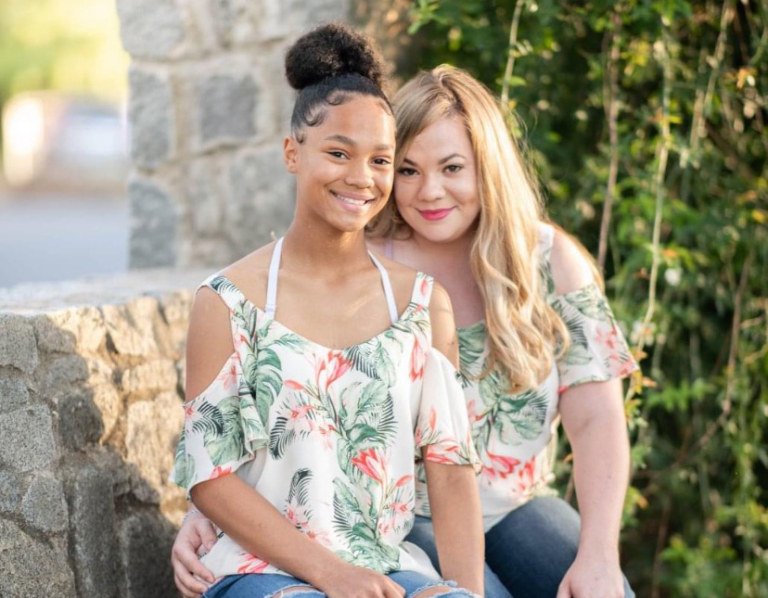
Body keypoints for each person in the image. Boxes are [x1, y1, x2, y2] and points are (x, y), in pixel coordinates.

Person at [173, 63, 639, 598]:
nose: (430, 191)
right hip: (401, 520)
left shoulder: (548, 261)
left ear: (487, 166)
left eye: (452, 167)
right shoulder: (365, 262)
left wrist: (600, 552)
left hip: (517, 505)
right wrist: (206, 511)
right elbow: (276, 397)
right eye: (410, 170)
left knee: (608, 590)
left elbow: (597, 419)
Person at [170, 26, 484, 598]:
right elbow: (209, 478)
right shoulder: (227, 302)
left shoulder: (421, 306)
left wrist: (462, 590)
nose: (361, 178)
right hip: (256, 573)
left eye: (382, 160)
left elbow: (450, 471)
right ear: (293, 153)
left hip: (388, 570)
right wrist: (332, 575)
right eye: (339, 153)